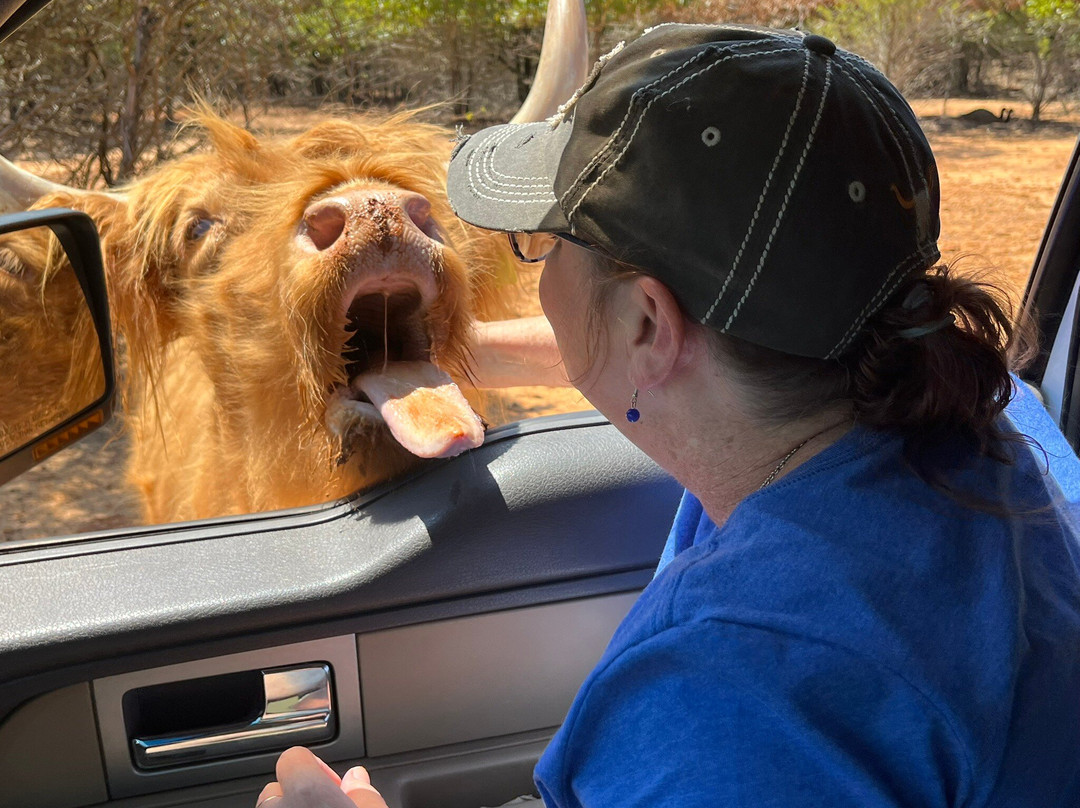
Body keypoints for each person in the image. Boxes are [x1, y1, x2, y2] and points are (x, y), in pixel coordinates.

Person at [257, 24, 1080, 807]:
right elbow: (647, 339)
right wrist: (422, 353)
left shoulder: (738, 685)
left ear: (650, 326)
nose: (539, 268)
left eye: (545, 241)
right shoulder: (988, 430)